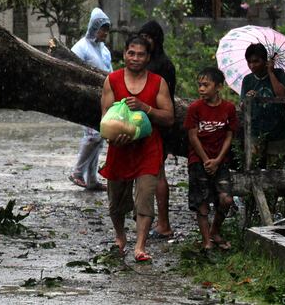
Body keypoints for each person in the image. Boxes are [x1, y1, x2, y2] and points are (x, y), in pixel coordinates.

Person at [100, 35, 175, 262]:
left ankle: (140, 246)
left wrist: (145, 108)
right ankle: (120, 236)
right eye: (131, 53)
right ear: (124, 54)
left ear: (148, 57)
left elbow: (169, 117)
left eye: (140, 54)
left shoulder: (158, 82)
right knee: (116, 201)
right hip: (120, 148)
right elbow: (105, 118)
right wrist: (113, 139)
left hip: (148, 149)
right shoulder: (112, 80)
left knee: (145, 197)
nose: (135, 58)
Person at [185, 67, 238, 251]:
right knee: (202, 203)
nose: (201, 89)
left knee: (226, 199)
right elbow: (193, 136)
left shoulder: (228, 108)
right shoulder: (195, 108)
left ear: (218, 87)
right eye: (199, 85)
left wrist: (218, 160)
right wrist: (207, 160)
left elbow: (229, 136)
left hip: (220, 161)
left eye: (206, 85)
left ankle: (215, 230)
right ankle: (206, 240)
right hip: (198, 160)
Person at [138, 20, 178, 240]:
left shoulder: (161, 65)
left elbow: (164, 100)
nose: (144, 41)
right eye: (142, 36)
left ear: (156, 40)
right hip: (147, 122)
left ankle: (164, 224)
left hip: (157, 123)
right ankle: (153, 220)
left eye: (148, 37)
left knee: (158, 173)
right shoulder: (151, 61)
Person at [69, 8, 112, 191]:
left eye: (107, 29)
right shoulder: (80, 48)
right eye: (103, 28)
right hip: (85, 98)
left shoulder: (104, 50)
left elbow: (110, 73)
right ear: (94, 27)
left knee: (99, 137)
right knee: (93, 136)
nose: (105, 33)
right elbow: (70, 69)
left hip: (102, 99)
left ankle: (91, 179)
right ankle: (77, 172)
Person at [240, 42, 285, 168]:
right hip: (255, 132)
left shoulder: (278, 74)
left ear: (265, 61)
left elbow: (282, 96)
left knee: (276, 171)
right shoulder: (248, 80)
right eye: (249, 62)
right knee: (254, 168)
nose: (252, 65)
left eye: (256, 61)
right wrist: (248, 100)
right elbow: (242, 107)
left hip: (279, 132)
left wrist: (271, 73)